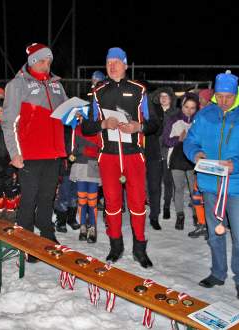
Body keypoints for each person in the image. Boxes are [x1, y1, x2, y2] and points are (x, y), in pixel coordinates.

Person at [183, 71, 239, 301]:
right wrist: (195, 153)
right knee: (214, 232)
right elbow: (191, 141)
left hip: (236, 186)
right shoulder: (206, 114)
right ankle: (218, 273)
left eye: (228, 96)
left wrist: (235, 164)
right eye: (219, 96)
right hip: (210, 184)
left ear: (236, 93)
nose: (223, 101)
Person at [81, 47, 159, 268]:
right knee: (112, 204)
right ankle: (116, 247)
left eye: (116, 62)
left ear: (125, 65)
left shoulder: (139, 90)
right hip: (109, 156)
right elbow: (86, 127)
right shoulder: (98, 91)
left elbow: (155, 123)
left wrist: (138, 126)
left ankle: (140, 249)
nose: (112, 66)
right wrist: (103, 124)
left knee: (137, 204)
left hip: (134, 155)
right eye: (108, 62)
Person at [2, 43, 68, 259]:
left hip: (53, 153)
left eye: (49, 61)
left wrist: (75, 115)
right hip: (29, 154)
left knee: (48, 197)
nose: (46, 64)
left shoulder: (57, 84)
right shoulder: (17, 85)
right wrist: (15, 153)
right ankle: (27, 239)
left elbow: (65, 112)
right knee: (29, 198)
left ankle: (46, 231)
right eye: (42, 60)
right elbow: (9, 122)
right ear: (32, 62)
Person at [162, 92, 198, 230]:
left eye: (192, 108)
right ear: (182, 105)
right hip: (176, 159)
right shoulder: (173, 120)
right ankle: (180, 215)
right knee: (179, 188)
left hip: (193, 160)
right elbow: (166, 140)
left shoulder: (198, 121)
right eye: (186, 106)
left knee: (195, 189)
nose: (189, 110)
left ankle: (197, 215)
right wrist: (179, 139)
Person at [147, 87, 177, 228]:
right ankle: (154, 214)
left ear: (171, 99)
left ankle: (166, 206)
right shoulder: (153, 113)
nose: (163, 98)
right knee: (154, 184)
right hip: (154, 152)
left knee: (168, 182)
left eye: (166, 96)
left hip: (169, 153)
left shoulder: (176, 114)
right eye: (161, 96)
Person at [69, 114, 102, 243]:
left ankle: (93, 228)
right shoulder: (76, 129)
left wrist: (83, 148)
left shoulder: (97, 130)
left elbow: (99, 148)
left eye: (83, 117)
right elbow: (73, 149)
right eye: (80, 117)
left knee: (92, 201)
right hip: (80, 167)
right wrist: (78, 150)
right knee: (82, 200)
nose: (81, 119)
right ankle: (83, 227)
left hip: (93, 166)